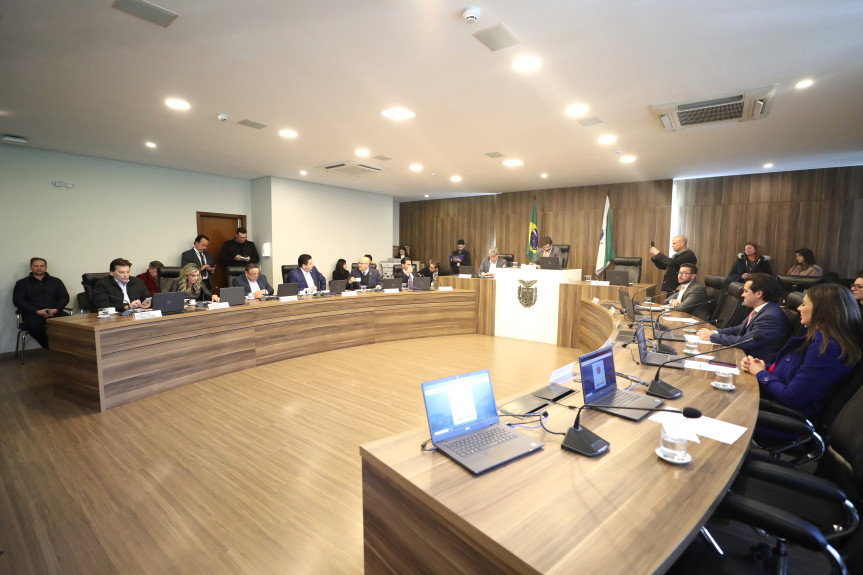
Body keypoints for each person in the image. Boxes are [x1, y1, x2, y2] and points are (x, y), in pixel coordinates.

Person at [739, 284, 862, 421]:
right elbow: (792, 373)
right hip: (772, 408)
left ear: (822, 310)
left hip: (782, 419)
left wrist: (761, 373)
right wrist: (762, 367)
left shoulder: (827, 347)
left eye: (803, 304)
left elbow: (792, 397)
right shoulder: (820, 339)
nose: (798, 308)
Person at [697, 273, 789, 363]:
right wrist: (715, 332)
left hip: (754, 365)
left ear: (759, 293)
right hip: (744, 357)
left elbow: (746, 342)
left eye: (746, 291)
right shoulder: (764, 310)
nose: (742, 295)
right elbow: (740, 329)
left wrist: (713, 337)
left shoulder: (770, 316)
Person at [13, 257, 70, 349]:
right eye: (36, 266)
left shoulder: (56, 281)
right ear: (31, 267)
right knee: (34, 327)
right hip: (33, 314)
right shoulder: (22, 283)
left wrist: (56, 309)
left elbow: (65, 297)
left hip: (54, 311)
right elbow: (18, 301)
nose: (39, 268)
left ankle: (70, 348)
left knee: (73, 324)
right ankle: (52, 348)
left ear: (46, 267)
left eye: (41, 266)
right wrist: (36, 311)